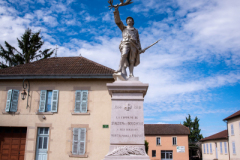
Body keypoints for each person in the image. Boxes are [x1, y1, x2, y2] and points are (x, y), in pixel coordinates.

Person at [113, 7, 143, 78]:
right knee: (124, 54)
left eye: (130, 20)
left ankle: (131, 74)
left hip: (134, 45)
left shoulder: (136, 30)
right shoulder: (124, 28)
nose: (129, 20)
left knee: (131, 60)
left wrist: (140, 48)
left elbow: (138, 40)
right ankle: (120, 68)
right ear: (126, 22)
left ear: (133, 22)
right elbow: (117, 21)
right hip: (126, 43)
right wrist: (116, 10)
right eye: (128, 20)